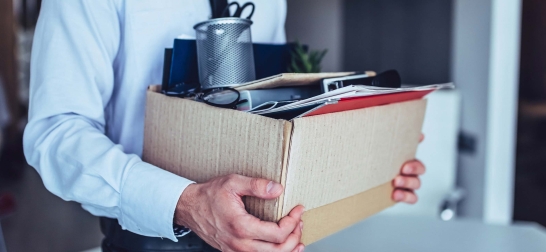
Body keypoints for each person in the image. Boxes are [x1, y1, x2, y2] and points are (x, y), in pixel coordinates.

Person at [23, 1, 426, 251]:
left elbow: (270, 113)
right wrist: (186, 203)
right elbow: (56, 130)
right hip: (149, 244)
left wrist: (367, 162)